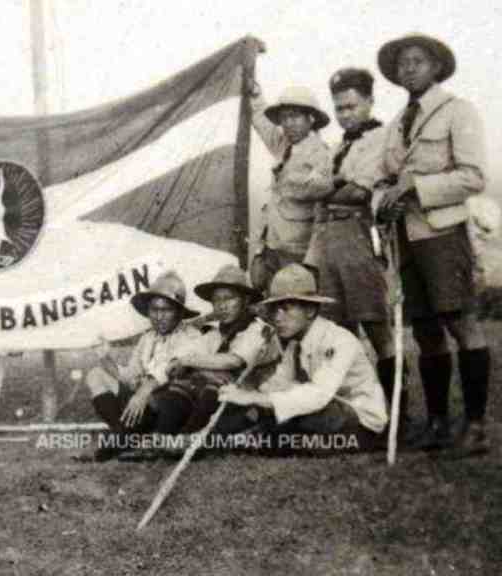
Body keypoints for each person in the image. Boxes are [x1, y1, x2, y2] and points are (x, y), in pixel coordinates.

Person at [375, 33, 490, 457]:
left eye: (417, 61)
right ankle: (438, 423)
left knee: (461, 324)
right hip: (405, 238)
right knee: (426, 332)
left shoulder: (457, 111)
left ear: (436, 67)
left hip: (443, 233)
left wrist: (416, 188)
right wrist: (383, 201)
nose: (408, 69)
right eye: (402, 63)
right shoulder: (395, 125)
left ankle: (475, 427)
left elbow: (474, 177)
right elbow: (384, 180)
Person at [306, 67, 407, 431]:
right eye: (339, 108)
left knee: (376, 327)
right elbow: (314, 189)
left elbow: (358, 192)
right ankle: (354, 414)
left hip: (358, 237)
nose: (345, 114)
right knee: (339, 332)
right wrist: (335, 184)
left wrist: (329, 187)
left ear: (369, 101)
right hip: (329, 240)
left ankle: (398, 415)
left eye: (351, 106)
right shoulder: (339, 146)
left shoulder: (380, 139)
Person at [218, 264, 388, 453]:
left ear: (310, 310)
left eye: (286, 309)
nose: (277, 318)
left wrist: (254, 398)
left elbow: (318, 396)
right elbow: (279, 384)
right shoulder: (295, 345)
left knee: (299, 414)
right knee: (275, 412)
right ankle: (255, 438)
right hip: (326, 415)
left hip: (359, 423)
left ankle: (263, 439)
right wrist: (246, 392)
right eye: (274, 310)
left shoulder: (339, 340)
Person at [82, 271, 202, 461]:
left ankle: (117, 443)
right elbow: (129, 375)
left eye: (166, 310)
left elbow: (169, 368)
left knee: (160, 396)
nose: (159, 316)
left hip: (170, 409)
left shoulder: (191, 336)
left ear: (179, 312)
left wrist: (143, 392)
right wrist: (105, 357)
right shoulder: (148, 338)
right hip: (143, 406)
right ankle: (125, 435)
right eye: (154, 310)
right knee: (96, 375)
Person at [160, 264, 280, 439]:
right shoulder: (216, 333)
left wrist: (188, 362)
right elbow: (183, 354)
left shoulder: (259, 330)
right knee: (181, 385)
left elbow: (233, 361)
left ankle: (186, 439)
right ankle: (162, 437)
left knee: (217, 384)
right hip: (227, 401)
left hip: (257, 403)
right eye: (216, 300)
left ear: (245, 300)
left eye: (229, 298)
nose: (222, 306)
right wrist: (181, 362)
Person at [248, 85, 334, 294]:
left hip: (297, 250)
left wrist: (312, 260)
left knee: (293, 301)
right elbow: (264, 125)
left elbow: (322, 199)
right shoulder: (284, 146)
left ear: (310, 119)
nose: (288, 123)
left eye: (295, 117)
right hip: (272, 245)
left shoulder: (321, 155)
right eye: (284, 118)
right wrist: (256, 96)